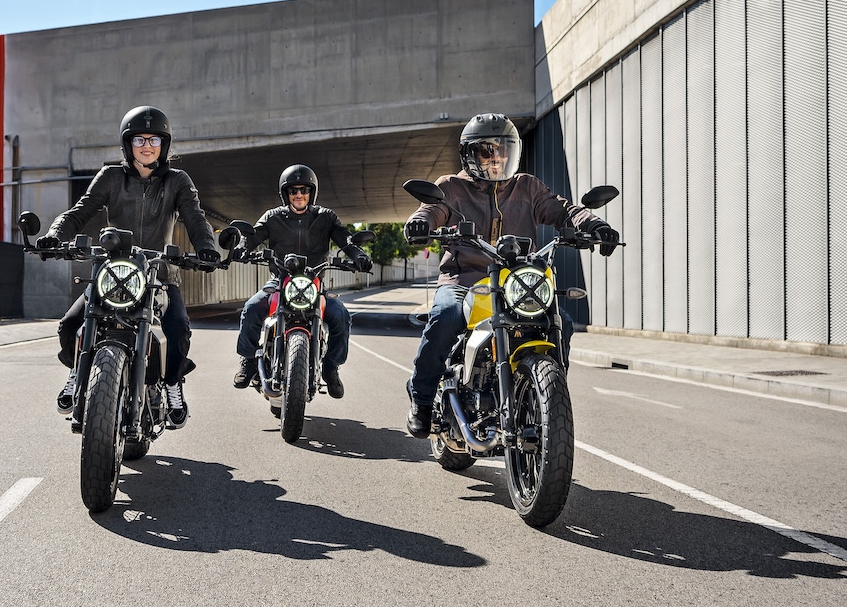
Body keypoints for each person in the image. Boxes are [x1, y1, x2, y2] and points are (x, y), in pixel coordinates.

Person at [402, 112, 620, 437]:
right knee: (446, 315)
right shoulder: (452, 187)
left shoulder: (528, 187)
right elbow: (431, 209)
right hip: (464, 280)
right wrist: (420, 223)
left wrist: (593, 225)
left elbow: (563, 209)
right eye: (487, 150)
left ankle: (545, 399)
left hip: (516, 282)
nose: (496, 158)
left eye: (503, 150)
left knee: (563, 324)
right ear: (470, 154)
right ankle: (421, 401)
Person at [36, 105, 220, 430]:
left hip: (159, 275)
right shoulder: (110, 176)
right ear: (127, 144)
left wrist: (206, 248)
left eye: (153, 139)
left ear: (164, 144)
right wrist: (54, 235)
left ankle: (173, 383)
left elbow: (195, 217)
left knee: (178, 328)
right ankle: (76, 371)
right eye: (138, 139)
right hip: (114, 273)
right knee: (68, 325)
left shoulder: (177, 181)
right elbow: (79, 212)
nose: (146, 146)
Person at [231, 164, 373, 399]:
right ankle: (247, 361)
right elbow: (254, 236)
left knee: (341, 315)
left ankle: (331, 367)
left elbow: (345, 240)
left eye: (304, 190)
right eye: (293, 190)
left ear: (311, 193)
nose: (299, 195)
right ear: (285, 194)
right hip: (279, 281)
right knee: (252, 307)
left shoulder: (326, 217)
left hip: (313, 285)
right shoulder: (273, 217)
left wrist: (358, 255)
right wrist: (241, 248)